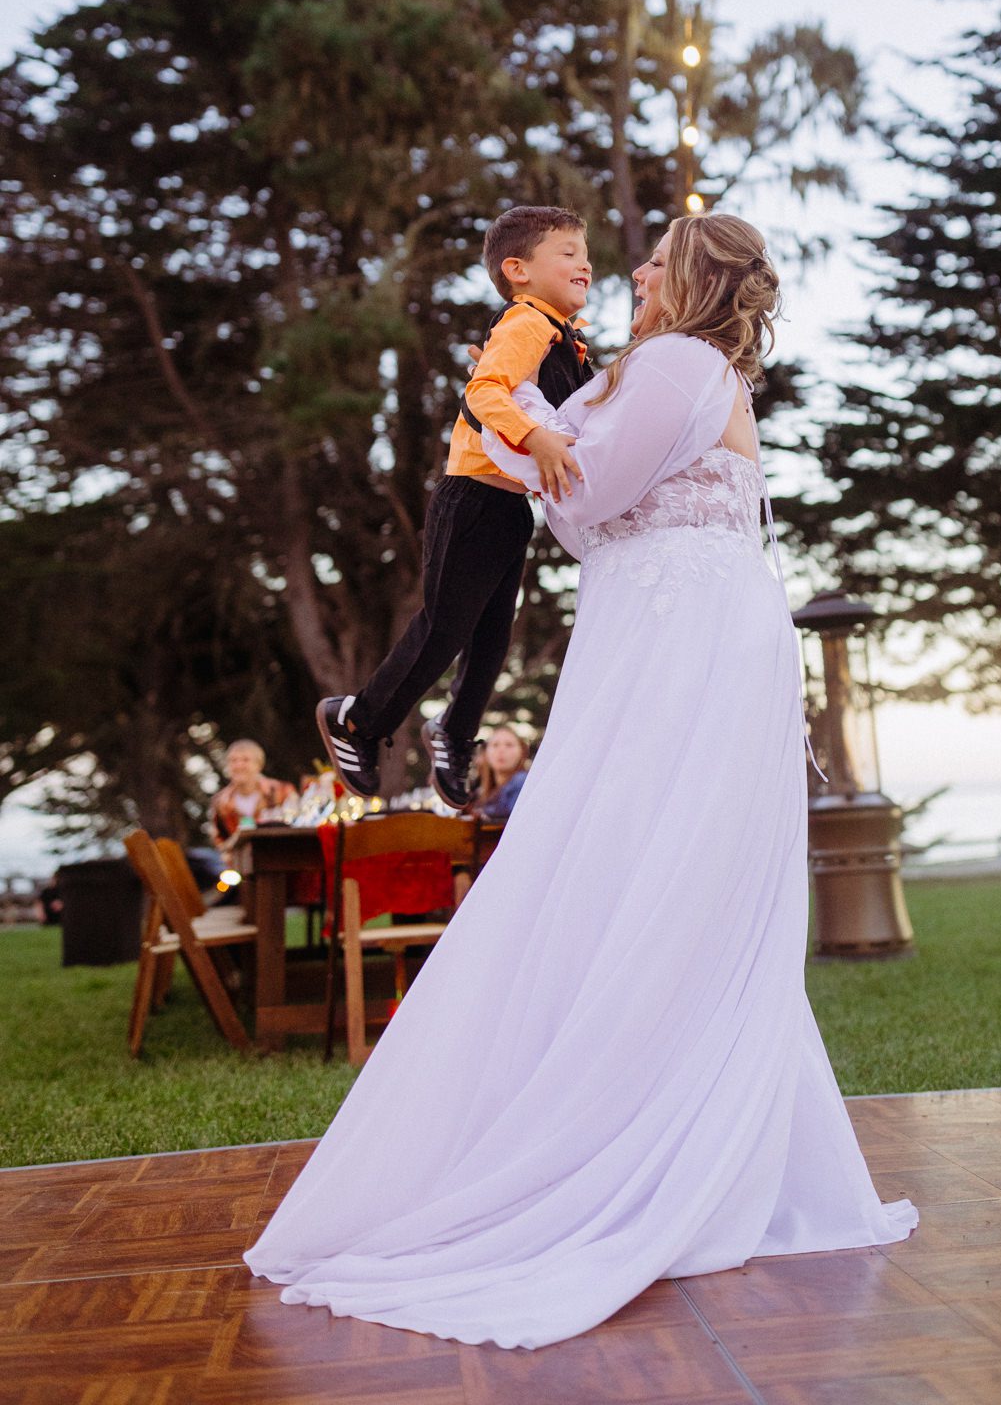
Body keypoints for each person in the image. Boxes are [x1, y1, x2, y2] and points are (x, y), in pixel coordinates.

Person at [246, 212, 918, 1349]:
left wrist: (523, 450)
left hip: (677, 635)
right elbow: (588, 497)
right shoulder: (672, 367)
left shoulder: (670, 361)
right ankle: (656, 1103)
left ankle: (622, 1125)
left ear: (692, 279)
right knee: (641, 866)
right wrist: (543, 447)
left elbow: (586, 500)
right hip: (668, 624)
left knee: (626, 861)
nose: (635, 269)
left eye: (656, 256)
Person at [315, 206, 593, 809]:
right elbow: (484, 391)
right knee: (444, 626)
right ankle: (358, 719)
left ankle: (455, 732)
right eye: (567, 252)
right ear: (517, 270)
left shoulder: (561, 337)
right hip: (471, 497)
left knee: (491, 637)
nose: (584, 263)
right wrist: (537, 439)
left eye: (584, 252)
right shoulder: (526, 321)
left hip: (509, 505)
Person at [206, 740, 296, 851]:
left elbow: (299, 825)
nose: (239, 766)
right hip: (242, 863)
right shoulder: (220, 802)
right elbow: (219, 843)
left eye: (245, 760)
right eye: (233, 761)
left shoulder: (282, 791)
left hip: (282, 854)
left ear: (259, 765)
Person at [472, 724, 530, 822]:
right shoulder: (483, 790)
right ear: (486, 753)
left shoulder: (522, 781)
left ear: (522, 752)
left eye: (509, 745)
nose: (501, 750)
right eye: (495, 745)